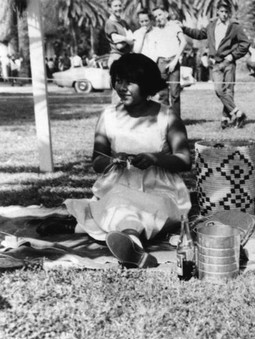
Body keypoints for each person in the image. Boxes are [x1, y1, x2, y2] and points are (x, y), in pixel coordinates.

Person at [36, 53, 192, 269]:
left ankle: (93, 229)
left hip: (160, 190)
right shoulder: (108, 116)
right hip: (119, 186)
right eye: (118, 80)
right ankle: (131, 243)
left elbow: (185, 160)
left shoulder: (167, 116)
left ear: (146, 84)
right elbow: (97, 161)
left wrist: (155, 158)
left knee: (128, 207)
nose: (122, 87)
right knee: (120, 201)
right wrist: (111, 161)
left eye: (130, 82)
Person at [182, 0, 250, 129]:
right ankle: (238, 113)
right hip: (216, 64)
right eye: (222, 11)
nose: (224, 14)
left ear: (229, 13)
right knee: (219, 90)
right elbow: (199, 34)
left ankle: (225, 118)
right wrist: (184, 28)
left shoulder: (235, 26)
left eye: (226, 12)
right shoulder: (211, 25)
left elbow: (245, 44)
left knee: (228, 91)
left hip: (229, 62)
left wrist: (233, 55)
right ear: (217, 12)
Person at [151, 6, 186, 118]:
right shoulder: (155, 30)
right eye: (155, 16)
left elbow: (183, 42)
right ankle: (165, 119)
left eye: (160, 14)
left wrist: (175, 61)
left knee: (175, 93)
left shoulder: (174, 26)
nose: (158, 18)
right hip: (160, 62)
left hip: (173, 61)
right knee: (162, 93)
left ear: (166, 14)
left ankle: (176, 121)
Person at [105, 0, 134, 69]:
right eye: (115, 6)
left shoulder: (123, 22)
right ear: (110, 9)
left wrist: (125, 40)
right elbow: (119, 45)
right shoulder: (110, 23)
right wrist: (127, 39)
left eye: (120, 5)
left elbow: (132, 39)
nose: (118, 8)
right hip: (117, 57)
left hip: (127, 56)